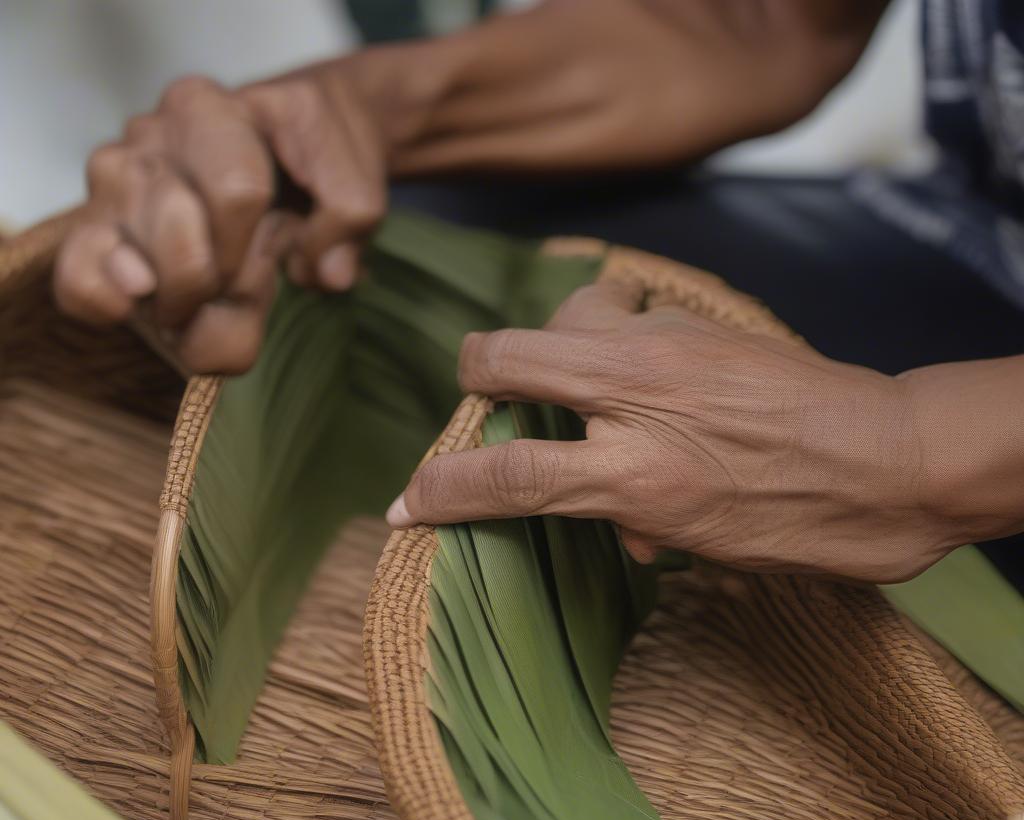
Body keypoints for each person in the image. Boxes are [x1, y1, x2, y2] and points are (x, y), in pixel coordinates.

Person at [53, 0, 1024, 586]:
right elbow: (760, 21)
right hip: (976, 247)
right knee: (393, 245)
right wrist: (357, 115)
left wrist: (916, 450)